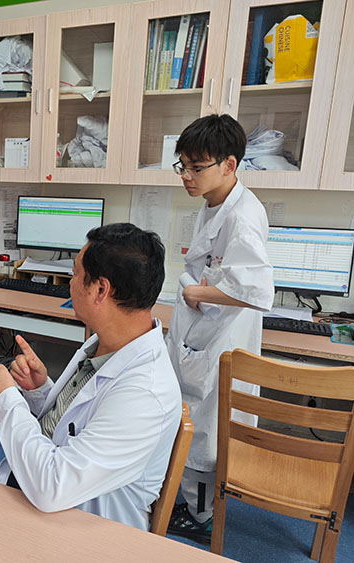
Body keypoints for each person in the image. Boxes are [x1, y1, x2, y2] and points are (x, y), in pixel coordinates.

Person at [0, 223, 182, 531]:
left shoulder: (145, 394)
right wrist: (40, 390)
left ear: (101, 290)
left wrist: (7, 399)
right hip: (41, 495)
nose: (70, 282)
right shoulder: (106, 344)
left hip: (84, 528)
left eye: (76, 274)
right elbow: (76, 424)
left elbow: (53, 487)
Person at [165, 114, 274, 544]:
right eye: (183, 166)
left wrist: (198, 294)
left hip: (219, 339)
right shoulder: (216, 202)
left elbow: (255, 291)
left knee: (208, 431)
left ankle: (203, 516)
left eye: (197, 167)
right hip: (202, 333)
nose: (186, 176)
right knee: (195, 422)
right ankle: (195, 503)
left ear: (229, 164)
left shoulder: (243, 216)